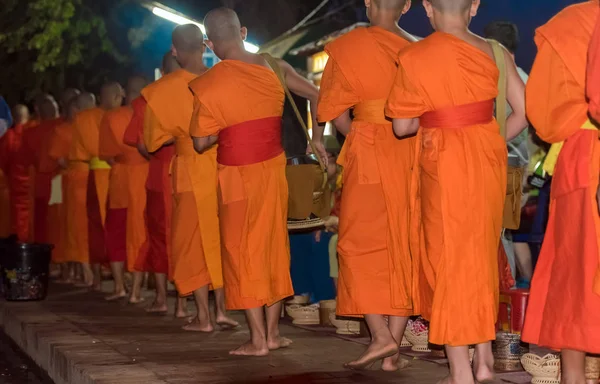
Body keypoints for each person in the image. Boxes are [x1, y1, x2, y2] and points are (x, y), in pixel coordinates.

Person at [385, 0, 527, 383]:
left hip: (442, 163)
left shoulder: (414, 56)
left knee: (448, 258)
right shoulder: (496, 52)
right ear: (474, 7)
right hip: (486, 162)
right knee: (480, 258)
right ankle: (484, 361)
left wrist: (439, 116)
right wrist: (487, 141)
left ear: (428, 8)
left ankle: (461, 370)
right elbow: (522, 111)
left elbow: (401, 127)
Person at [190, 7, 325, 356]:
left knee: (241, 252)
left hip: (236, 176)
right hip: (272, 173)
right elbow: (318, 94)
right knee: (272, 249)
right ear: (244, 32)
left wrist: (231, 129)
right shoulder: (274, 66)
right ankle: (274, 334)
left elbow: (200, 142)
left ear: (209, 43)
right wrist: (319, 139)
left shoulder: (209, 84)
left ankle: (256, 340)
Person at [317, 0, 416, 370]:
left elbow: (335, 115)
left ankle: (381, 337)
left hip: (368, 151)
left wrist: (363, 130)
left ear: (368, 3)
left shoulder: (347, 48)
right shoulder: (417, 49)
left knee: (356, 243)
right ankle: (394, 352)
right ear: (406, 5)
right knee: (403, 243)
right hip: (409, 151)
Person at [522, 2, 600, 383]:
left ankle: (574, 376)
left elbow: (544, 112)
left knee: (575, 270)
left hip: (582, 155)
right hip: (588, 157)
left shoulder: (570, 22)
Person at [142, 24, 238, 331]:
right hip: (224, 167)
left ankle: (204, 317)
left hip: (189, 169)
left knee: (191, 242)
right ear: (205, 45)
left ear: (174, 51)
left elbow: (151, 142)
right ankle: (222, 310)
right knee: (220, 237)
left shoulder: (162, 90)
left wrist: (180, 134)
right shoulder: (224, 79)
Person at [124, 53, 188, 317]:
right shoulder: (195, 87)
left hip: (160, 174)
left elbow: (140, 143)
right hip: (191, 172)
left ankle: (162, 299)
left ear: (161, 72)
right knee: (186, 237)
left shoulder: (149, 98)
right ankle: (185, 303)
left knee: (160, 237)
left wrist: (159, 153)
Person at [484, 21, 533, 286]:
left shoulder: (497, 79)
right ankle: (511, 295)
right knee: (507, 234)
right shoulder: (525, 79)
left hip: (502, 164)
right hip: (520, 168)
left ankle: (506, 297)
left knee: (499, 234)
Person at [99, 77, 150, 304]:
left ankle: (119, 286)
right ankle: (136, 291)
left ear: (127, 94)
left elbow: (107, 155)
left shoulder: (111, 117)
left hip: (120, 178)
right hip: (145, 177)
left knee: (116, 231)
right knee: (142, 232)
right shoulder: (150, 112)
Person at [70, 86, 121, 289]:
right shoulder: (114, 114)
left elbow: (84, 151)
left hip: (94, 174)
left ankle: (96, 274)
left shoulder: (83, 119)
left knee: (94, 225)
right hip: (115, 171)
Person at [48, 90, 85, 283]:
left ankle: (80, 269)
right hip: (61, 182)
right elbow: (58, 159)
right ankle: (66, 267)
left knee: (78, 225)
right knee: (61, 223)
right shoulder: (61, 129)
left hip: (81, 178)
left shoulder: (84, 127)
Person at [19, 96, 63, 247]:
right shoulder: (65, 125)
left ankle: (47, 259)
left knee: (45, 222)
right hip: (59, 181)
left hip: (45, 183)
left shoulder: (30, 133)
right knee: (59, 221)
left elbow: (24, 161)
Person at [0, 104, 32, 242]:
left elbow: (2, 161)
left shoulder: (9, 136)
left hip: (15, 184)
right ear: (28, 116)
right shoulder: (36, 132)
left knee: (17, 219)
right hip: (35, 184)